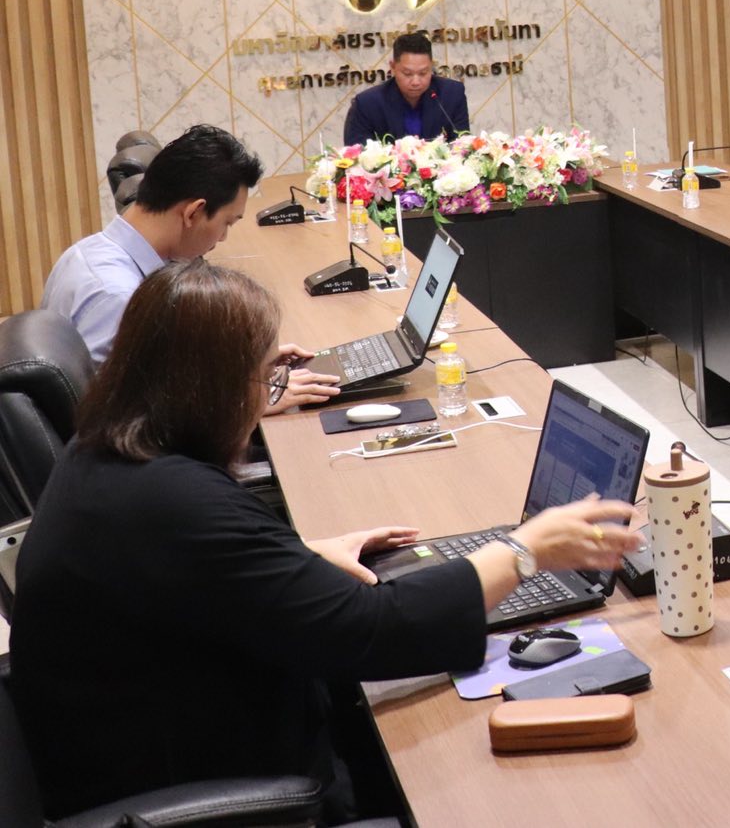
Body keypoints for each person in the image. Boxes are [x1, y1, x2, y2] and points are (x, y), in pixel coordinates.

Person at [8, 261, 637, 822]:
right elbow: (369, 631)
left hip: (162, 729)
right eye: (265, 379)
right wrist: (523, 553)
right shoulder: (176, 502)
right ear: (212, 390)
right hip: (208, 780)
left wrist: (297, 558)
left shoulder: (104, 450)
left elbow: (180, 574)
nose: (267, 397)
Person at [41, 125, 333, 410]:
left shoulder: (86, 251)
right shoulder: (121, 298)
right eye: (227, 223)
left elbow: (159, 377)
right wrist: (250, 400)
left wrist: (241, 366)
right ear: (193, 212)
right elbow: (133, 416)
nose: (223, 238)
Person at [341, 30, 469, 146]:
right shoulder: (367, 104)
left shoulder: (452, 94)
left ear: (431, 66)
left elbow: (463, 146)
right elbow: (356, 154)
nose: (416, 82)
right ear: (393, 67)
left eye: (423, 73)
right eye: (407, 73)